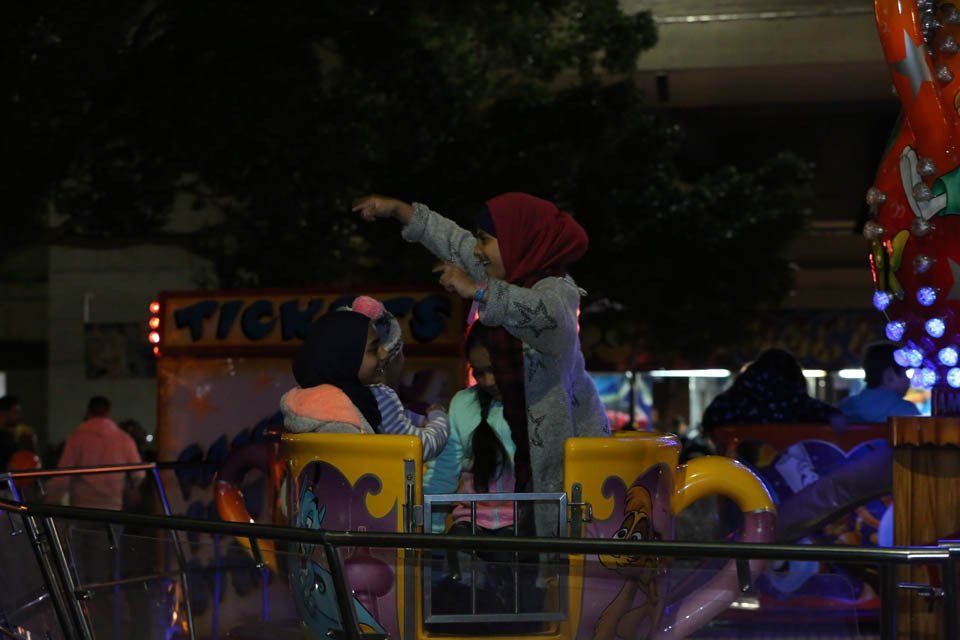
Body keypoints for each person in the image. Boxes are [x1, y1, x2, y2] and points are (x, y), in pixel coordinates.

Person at [353, 192, 610, 536]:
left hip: (573, 460)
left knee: (568, 568)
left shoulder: (555, 289)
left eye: (485, 240)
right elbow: (455, 242)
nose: (476, 250)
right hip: (532, 465)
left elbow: (550, 320)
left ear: (519, 240)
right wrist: (401, 211)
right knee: (542, 567)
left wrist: (480, 291)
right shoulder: (509, 277)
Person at [335, 296, 450, 460]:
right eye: (401, 353)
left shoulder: (342, 391)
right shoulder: (379, 396)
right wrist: (438, 418)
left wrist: (419, 420)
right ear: (388, 359)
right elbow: (421, 446)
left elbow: (395, 419)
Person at [282, 311, 388, 434]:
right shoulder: (339, 427)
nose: (384, 353)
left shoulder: (358, 401)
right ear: (346, 358)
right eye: (373, 349)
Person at [701, 348, 846, 434]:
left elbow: (708, 421)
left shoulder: (731, 402)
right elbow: (836, 419)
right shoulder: (795, 404)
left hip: (739, 476)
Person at [46, 396, 144, 510]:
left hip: (83, 507)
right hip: (113, 507)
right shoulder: (124, 439)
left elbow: (63, 476)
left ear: (88, 412)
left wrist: (51, 500)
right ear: (108, 412)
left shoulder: (77, 438)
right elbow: (139, 475)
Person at [839, 342, 919, 422]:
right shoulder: (906, 410)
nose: (908, 379)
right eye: (905, 373)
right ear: (889, 376)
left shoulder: (845, 407)